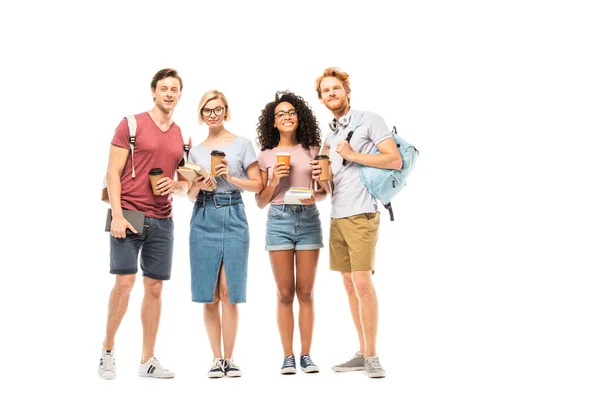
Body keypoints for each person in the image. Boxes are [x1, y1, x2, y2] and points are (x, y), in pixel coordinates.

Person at [311, 67, 402, 379]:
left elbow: (394, 160)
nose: (332, 94)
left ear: (346, 91)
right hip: (337, 216)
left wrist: (352, 154)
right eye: (326, 91)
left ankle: (373, 355)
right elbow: (328, 188)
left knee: (362, 282)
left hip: (363, 214)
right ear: (322, 99)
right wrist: (317, 183)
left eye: (336, 88)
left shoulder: (369, 120)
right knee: (349, 285)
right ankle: (363, 352)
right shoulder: (330, 136)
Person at [99, 68, 189, 380]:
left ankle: (147, 359)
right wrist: (118, 214)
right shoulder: (131, 124)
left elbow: (185, 183)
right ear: (153, 91)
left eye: (174, 89)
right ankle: (108, 351)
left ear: (179, 94)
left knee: (154, 288)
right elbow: (113, 173)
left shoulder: (181, 135)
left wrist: (176, 186)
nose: (168, 93)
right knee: (124, 283)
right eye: (163, 88)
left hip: (163, 219)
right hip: (129, 215)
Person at [187, 90, 263, 378]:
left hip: (234, 214)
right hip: (204, 215)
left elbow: (257, 185)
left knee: (229, 292)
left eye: (218, 109)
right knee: (209, 294)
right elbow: (190, 195)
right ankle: (216, 358)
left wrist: (230, 177)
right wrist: (202, 184)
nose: (213, 115)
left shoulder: (242, 144)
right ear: (201, 114)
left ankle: (230, 358)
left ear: (226, 111)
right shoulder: (195, 151)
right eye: (207, 110)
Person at [255, 91, 325, 374]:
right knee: (284, 294)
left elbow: (323, 192)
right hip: (278, 220)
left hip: (308, 219)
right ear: (273, 122)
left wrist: (314, 195)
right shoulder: (265, 156)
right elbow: (260, 201)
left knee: (306, 293)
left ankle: (306, 355)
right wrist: (273, 180)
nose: (287, 117)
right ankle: (288, 356)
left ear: (299, 118)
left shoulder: (313, 150)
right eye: (281, 114)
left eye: (291, 112)